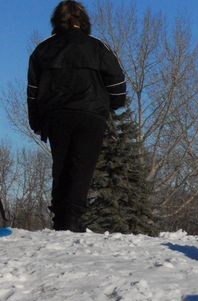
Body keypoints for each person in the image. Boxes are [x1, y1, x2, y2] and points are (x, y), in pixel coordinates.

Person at [27, 1, 127, 232]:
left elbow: (33, 90)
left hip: (57, 115)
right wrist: (113, 104)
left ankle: (61, 218)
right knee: (82, 167)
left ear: (56, 22)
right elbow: (117, 80)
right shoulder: (97, 47)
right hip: (91, 115)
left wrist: (36, 120)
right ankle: (72, 219)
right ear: (83, 21)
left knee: (61, 166)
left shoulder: (43, 50)